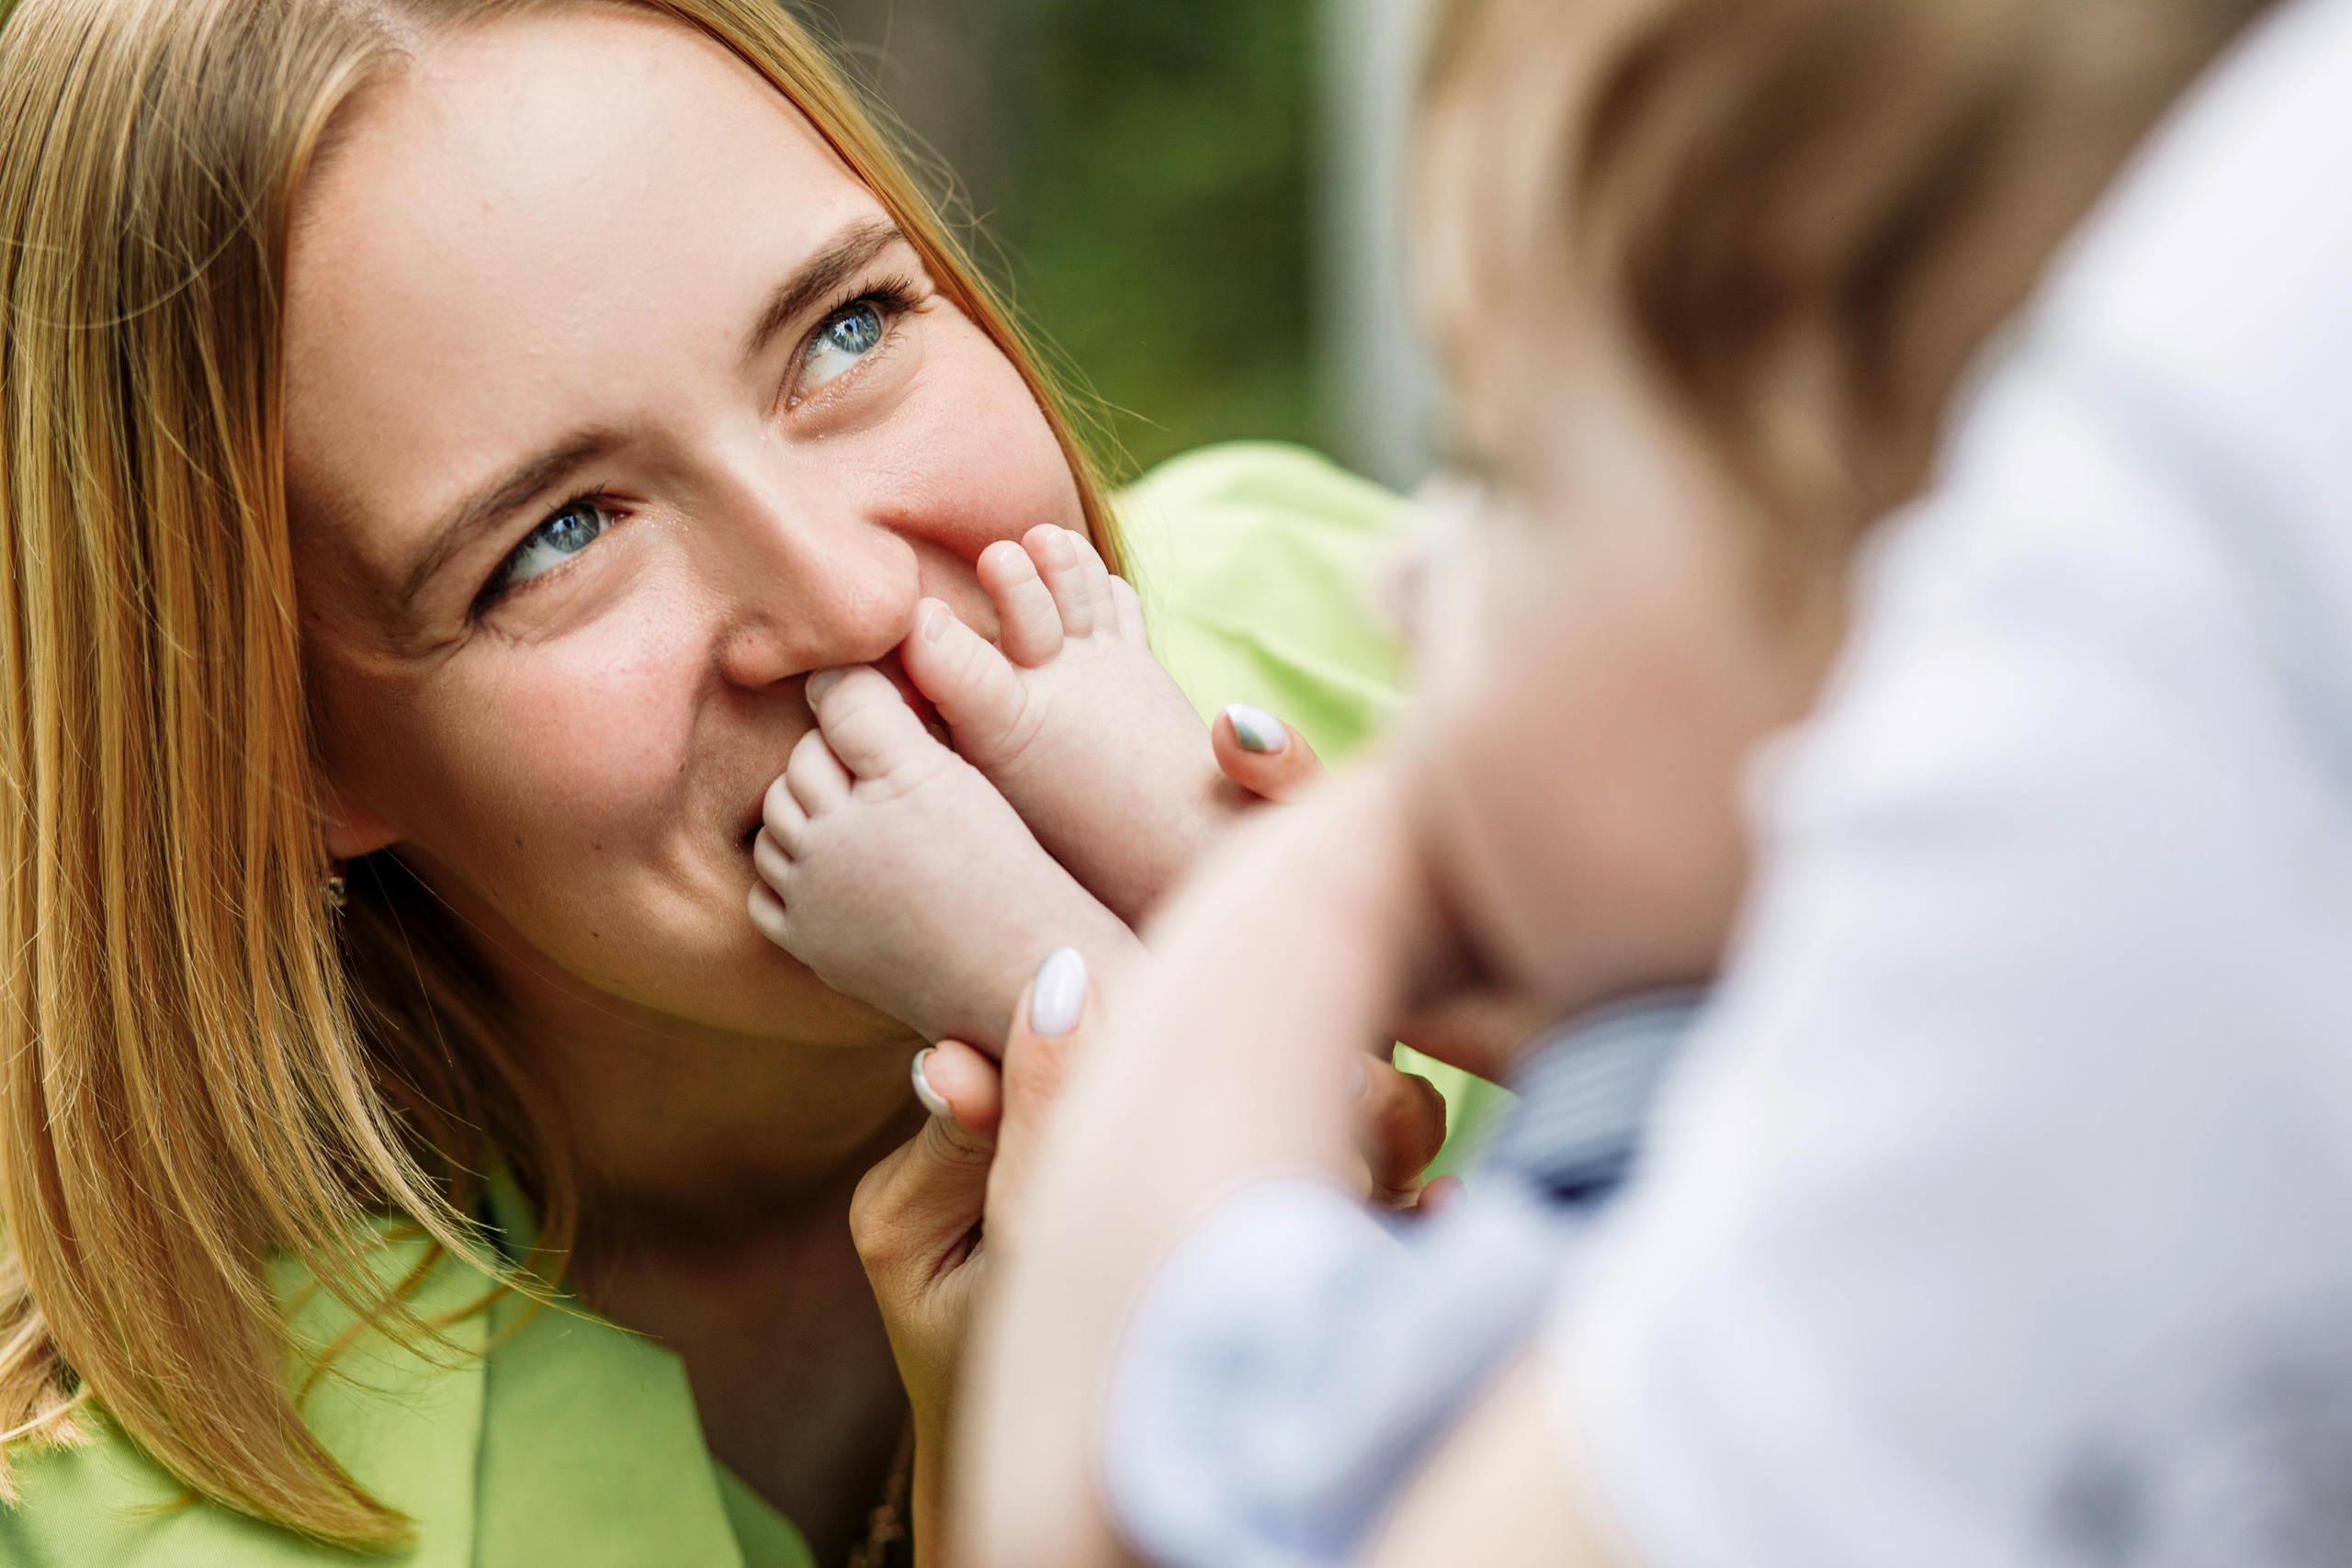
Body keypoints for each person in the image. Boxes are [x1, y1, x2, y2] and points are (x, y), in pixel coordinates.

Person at [0, 2, 1461, 1563]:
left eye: (848, 329)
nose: (849, 601)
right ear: (273, 761)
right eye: (559, 536)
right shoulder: (120, 1523)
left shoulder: (1422, 669)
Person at [955, 0, 2338, 1563]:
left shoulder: (1702, 1219)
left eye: (1497, 470)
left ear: (1910, 628)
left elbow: (1113, 1471)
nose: (1404, 575)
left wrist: (1333, 875)